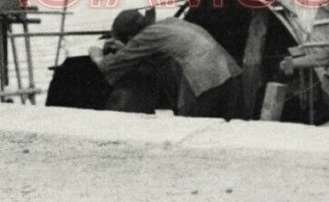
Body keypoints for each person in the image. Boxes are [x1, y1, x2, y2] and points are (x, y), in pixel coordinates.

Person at [91, 9, 243, 119]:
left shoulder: (144, 37)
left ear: (131, 36)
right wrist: (128, 49)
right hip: (230, 72)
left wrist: (97, 55)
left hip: (204, 83)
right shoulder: (171, 22)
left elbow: (107, 67)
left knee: (188, 133)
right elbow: (168, 50)